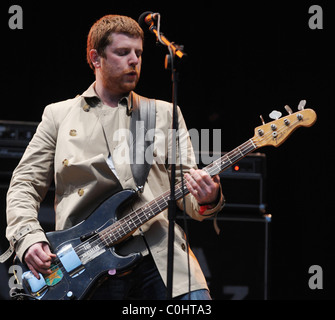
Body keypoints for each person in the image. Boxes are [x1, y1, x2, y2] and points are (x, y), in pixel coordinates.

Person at [5, 14, 224, 300]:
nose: (134, 60)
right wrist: (29, 238)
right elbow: (23, 185)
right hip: (85, 264)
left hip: (159, 256)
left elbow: (191, 200)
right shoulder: (58, 116)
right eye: (122, 53)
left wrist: (209, 197)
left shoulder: (162, 114)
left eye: (139, 53)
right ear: (96, 58)